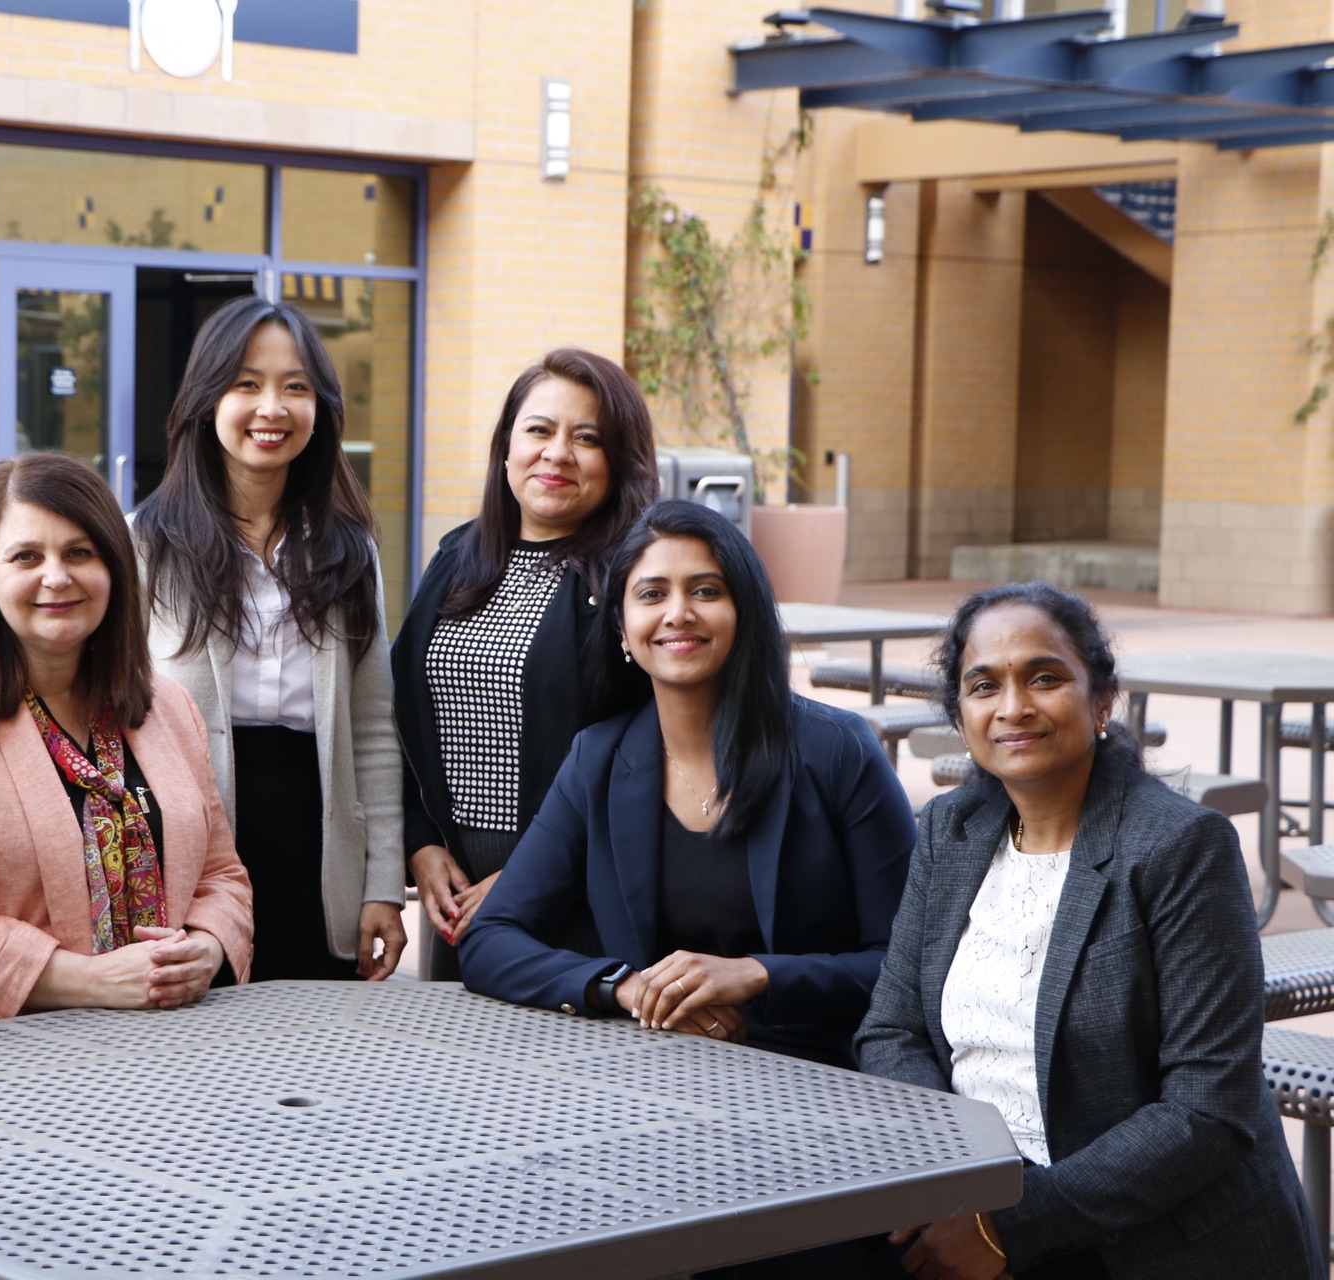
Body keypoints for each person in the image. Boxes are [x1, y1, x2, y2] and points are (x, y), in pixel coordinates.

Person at [460, 499, 915, 1278]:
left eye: (706, 589)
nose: (679, 613)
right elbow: (492, 939)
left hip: (823, 1103)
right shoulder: (598, 760)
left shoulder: (837, 752)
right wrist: (626, 988)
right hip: (661, 1096)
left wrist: (759, 976)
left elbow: (911, 967)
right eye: (652, 593)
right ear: (624, 628)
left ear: (744, 609)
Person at [856, 583, 1319, 1280]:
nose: (1013, 706)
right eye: (984, 686)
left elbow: (1205, 1109)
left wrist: (1010, 1227)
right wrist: (963, 1182)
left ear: (1101, 701)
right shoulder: (949, 833)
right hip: (979, 1201)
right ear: (961, 715)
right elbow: (890, 1032)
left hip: (1154, 1242)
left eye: (1044, 677)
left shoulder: (1180, 846)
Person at [0, 452, 252, 1023]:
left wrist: (207, 948)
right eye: (26, 556)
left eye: (80, 552)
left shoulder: (170, 707)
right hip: (8, 1071)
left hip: (175, 1048)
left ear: (114, 568)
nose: (57, 576)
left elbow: (222, 875)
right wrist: (95, 981)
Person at [131, 295, 405, 982]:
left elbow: (372, 727)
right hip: (194, 826)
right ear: (205, 399)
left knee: (315, 1037)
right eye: (246, 384)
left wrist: (382, 883)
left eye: (296, 388)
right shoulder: (147, 543)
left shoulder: (349, 550)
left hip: (317, 831)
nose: (271, 408)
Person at [391, 348, 656, 981]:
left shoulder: (634, 583)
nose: (557, 453)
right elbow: (398, 718)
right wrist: (421, 845)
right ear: (506, 447)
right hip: (455, 892)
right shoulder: (457, 559)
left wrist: (533, 871)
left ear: (619, 462)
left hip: (583, 890)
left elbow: (651, 751)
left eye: (586, 438)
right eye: (539, 429)